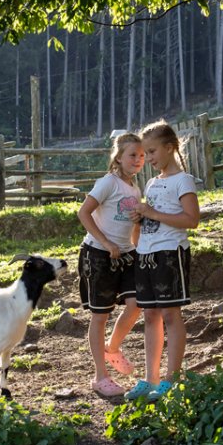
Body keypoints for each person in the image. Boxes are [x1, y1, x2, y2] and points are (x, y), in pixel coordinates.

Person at [125, 120, 200, 401]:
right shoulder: (153, 184)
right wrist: (139, 219)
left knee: (170, 314)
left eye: (153, 152)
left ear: (170, 148)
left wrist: (152, 214)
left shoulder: (184, 181)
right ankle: (150, 378)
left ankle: (171, 378)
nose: (149, 159)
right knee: (150, 316)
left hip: (170, 253)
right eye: (146, 153)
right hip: (145, 254)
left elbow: (192, 219)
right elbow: (145, 226)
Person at [77, 132, 146, 397]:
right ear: (118, 157)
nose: (138, 160)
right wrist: (106, 243)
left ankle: (113, 348)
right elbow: (83, 213)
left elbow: (133, 226)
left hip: (126, 255)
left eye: (141, 156)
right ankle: (100, 377)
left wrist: (137, 249)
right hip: (98, 255)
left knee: (137, 303)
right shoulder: (108, 183)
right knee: (100, 315)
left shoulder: (135, 188)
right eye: (132, 155)